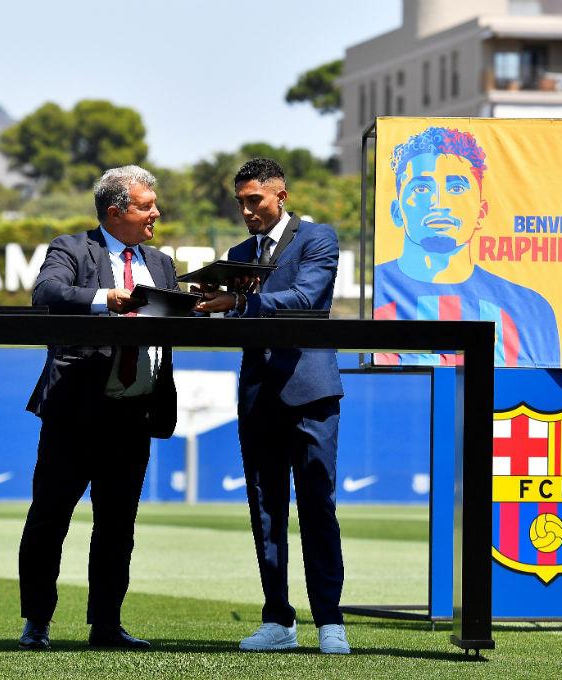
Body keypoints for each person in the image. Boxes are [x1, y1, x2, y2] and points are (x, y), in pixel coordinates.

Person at [18, 165, 178, 651]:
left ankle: (106, 626)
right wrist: (105, 298)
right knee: (50, 518)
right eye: (146, 205)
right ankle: (37, 622)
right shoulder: (72, 248)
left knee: (117, 527)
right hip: (75, 412)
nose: (156, 212)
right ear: (116, 212)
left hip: (134, 414)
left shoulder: (163, 263)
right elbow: (45, 293)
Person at [194, 158, 350, 655]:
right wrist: (204, 302)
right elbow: (236, 316)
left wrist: (237, 304)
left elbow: (308, 298)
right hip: (259, 393)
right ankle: (278, 619)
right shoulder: (238, 253)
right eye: (240, 202)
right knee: (265, 511)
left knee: (317, 505)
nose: (246, 210)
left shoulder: (318, 238)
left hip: (311, 391)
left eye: (254, 200)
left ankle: (330, 621)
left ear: (280, 195)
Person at [374, 126, 560, 367]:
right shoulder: (371, 295)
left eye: (456, 188)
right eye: (421, 188)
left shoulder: (530, 309)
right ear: (397, 212)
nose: (439, 203)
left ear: (481, 212)